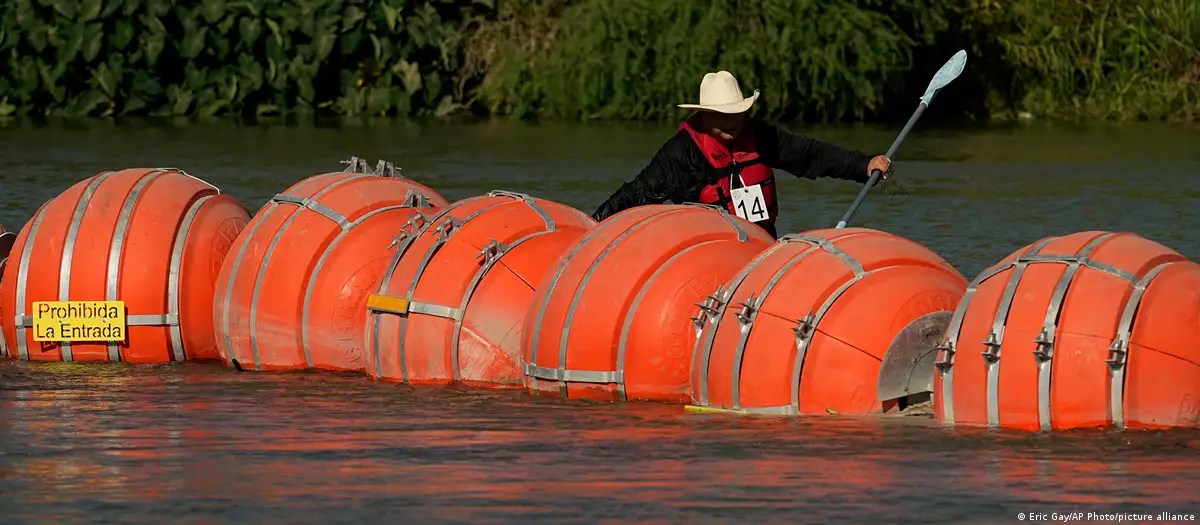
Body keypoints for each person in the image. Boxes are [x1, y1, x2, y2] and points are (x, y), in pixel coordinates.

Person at [591, 71, 893, 239]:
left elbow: (810, 154)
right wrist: (593, 228)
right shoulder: (682, 152)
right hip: (711, 253)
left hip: (762, 247)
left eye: (738, 114)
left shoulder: (758, 134)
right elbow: (638, 194)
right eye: (724, 116)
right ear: (705, 115)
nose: (734, 123)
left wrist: (862, 164)